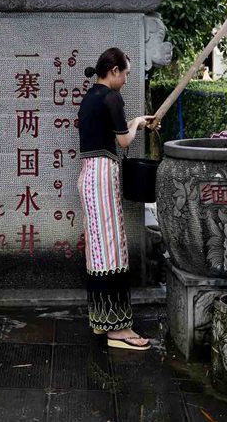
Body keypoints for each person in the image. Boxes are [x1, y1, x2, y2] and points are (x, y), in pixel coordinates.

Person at [77, 47, 157, 350]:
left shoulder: (90, 97)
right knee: (111, 252)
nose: (125, 80)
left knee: (99, 252)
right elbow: (124, 141)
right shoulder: (112, 97)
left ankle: (103, 320)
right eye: (124, 74)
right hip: (101, 177)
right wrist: (136, 123)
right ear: (113, 71)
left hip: (88, 176)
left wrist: (135, 120)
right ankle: (118, 329)